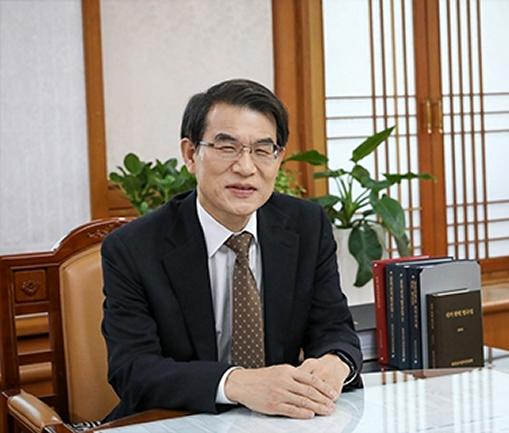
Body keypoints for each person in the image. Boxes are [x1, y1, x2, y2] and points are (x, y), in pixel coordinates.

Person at [101, 79, 362, 421]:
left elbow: (334, 327)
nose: (246, 167)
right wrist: (236, 384)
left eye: (262, 150)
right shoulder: (133, 248)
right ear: (190, 154)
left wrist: (335, 362)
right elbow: (133, 369)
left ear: (279, 158)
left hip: (280, 423)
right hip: (175, 421)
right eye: (227, 147)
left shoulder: (306, 226)